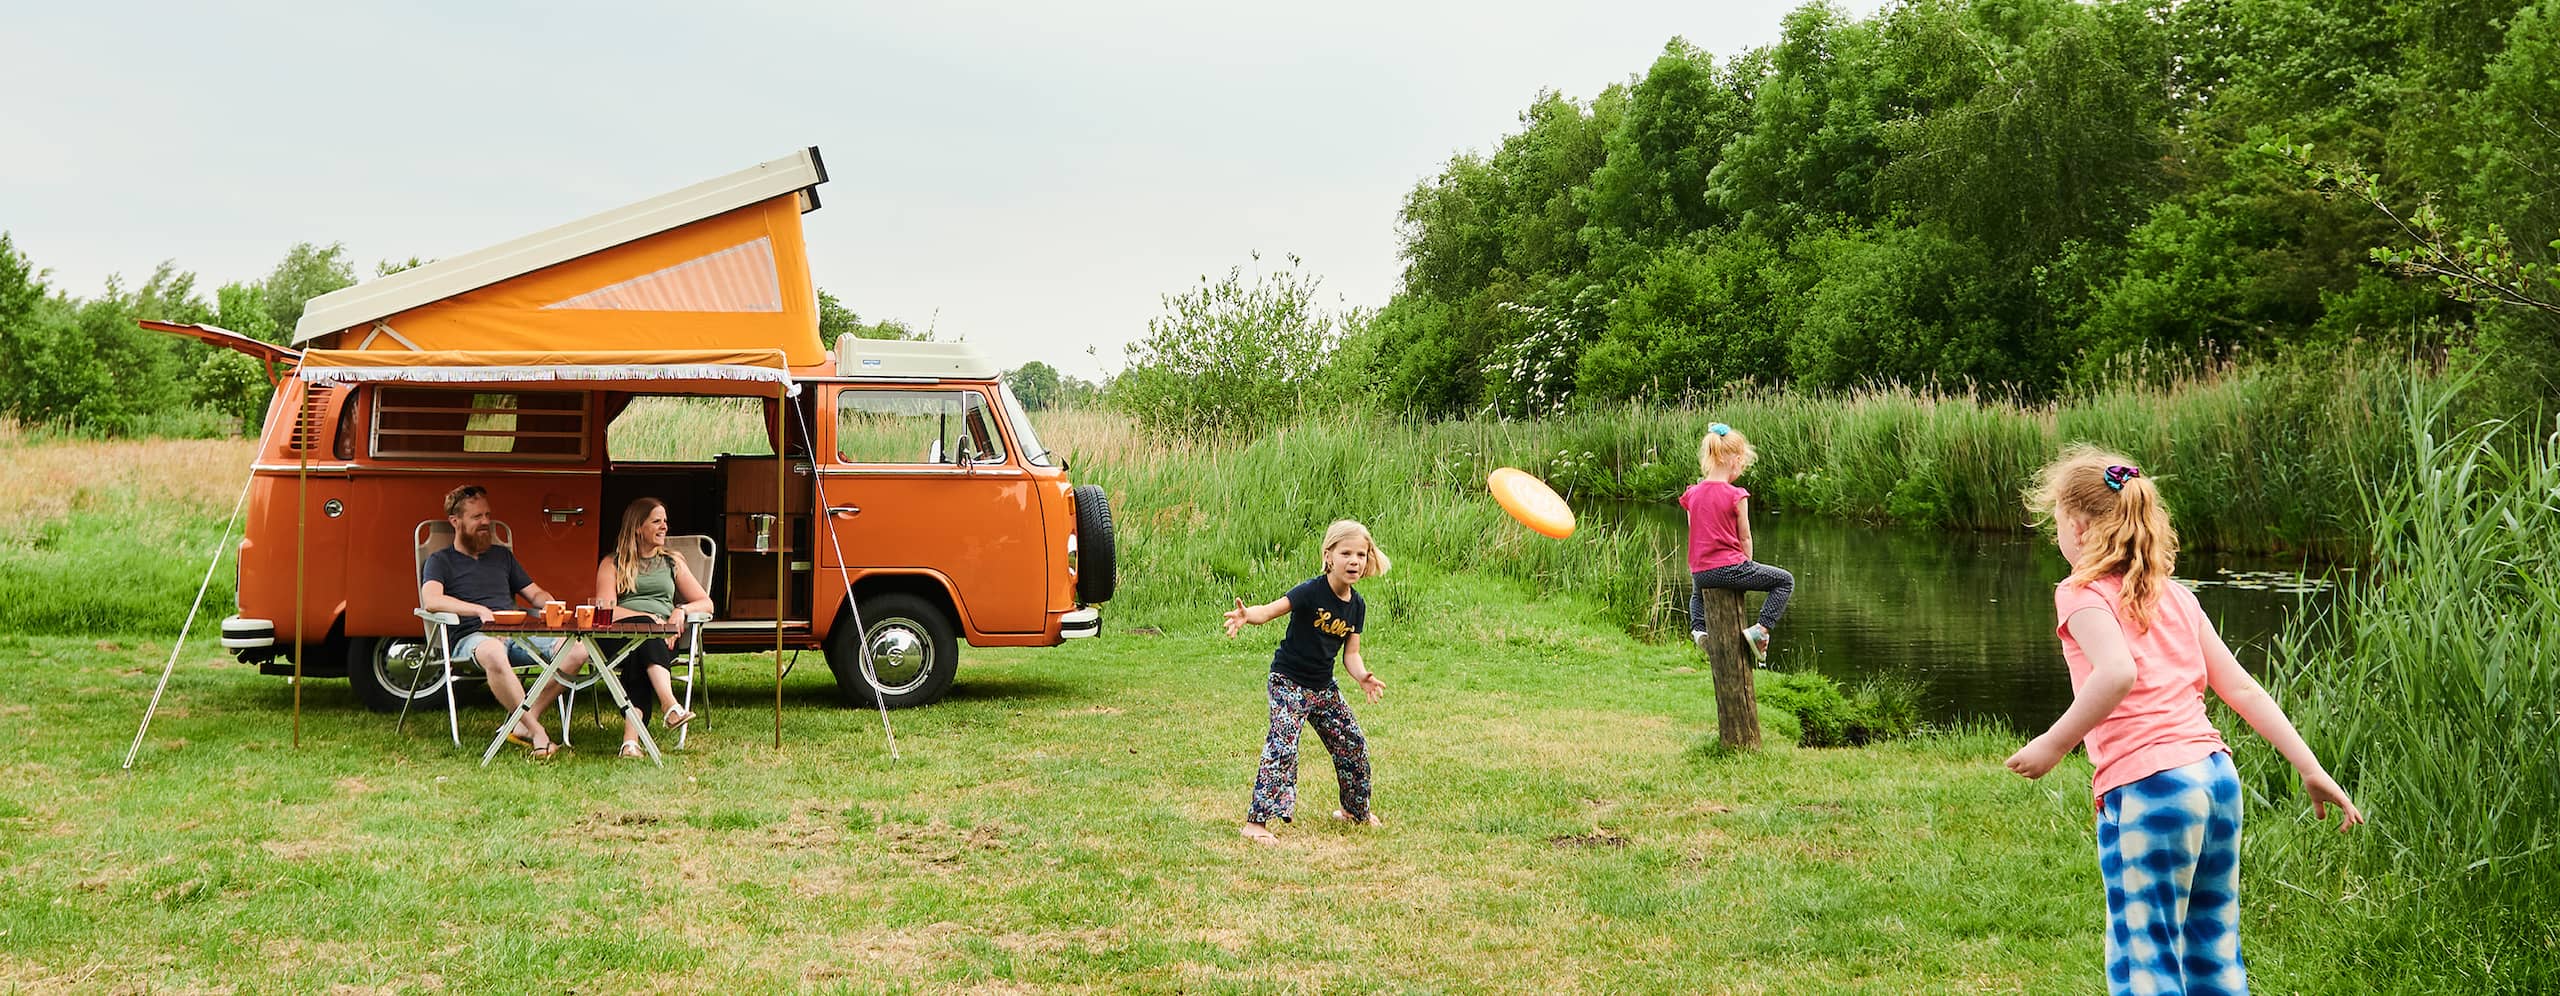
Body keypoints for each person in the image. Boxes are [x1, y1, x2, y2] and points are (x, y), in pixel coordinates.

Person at [2006, 446, 2363, 995]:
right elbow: (2242, 687)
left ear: (2077, 527)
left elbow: (2116, 672)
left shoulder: (2079, 593)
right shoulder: (2176, 596)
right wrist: (2309, 765)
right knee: (2212, 950)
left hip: (2153, 788)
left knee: (2144, 955)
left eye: (2056, 522)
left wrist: (2055, 743)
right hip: (2218, 781)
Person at [1222, 520, 1391, 844]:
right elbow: (1272, 610)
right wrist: (1247, 615)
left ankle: (1355, 811)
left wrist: (1362, 676)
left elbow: (1350, 655)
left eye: (1360, 553)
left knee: (1352, 744)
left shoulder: (1357, 606)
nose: (1354, 561)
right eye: (1346, 553)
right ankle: (1255, 823)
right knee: (1282, 747)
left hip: (1323, 687)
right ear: (1328, 556)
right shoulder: (1311, 591)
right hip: (1288, 682)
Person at [418, 484, 589, 760]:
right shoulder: (441, 561)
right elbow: (432, 600)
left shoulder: (502, 557)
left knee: (577, 650)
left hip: (515, 633)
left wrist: (552, 605)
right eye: (476, 517)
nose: (486, 522)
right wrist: (477, 610)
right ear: (455, 521)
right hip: (472, 638)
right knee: (494, 651)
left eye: (487, 515)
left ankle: (521, 722)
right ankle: (537, 732)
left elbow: (534, 593)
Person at [591, 497, 714, 758]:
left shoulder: (672, 561)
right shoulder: (612, 563)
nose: (664, 527)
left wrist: (681, 610)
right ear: (638, 527)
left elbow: (706, 603)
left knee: (642, 653)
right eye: (656, 521)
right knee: (644, 634)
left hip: (660, 640)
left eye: (665, 521)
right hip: (619, 637)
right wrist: (646, 617)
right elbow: (606, 609)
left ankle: (630, 743)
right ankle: (669, 704)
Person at [1683, 422, 1793, 663]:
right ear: (1734, 460)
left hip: (1701, 572)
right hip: (1732, 568)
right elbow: (1745, 536)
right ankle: (1760, 630)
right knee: (1785, 581)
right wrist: (1747, 565)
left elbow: (1695, 531)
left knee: (1697, 593)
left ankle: (1699, 629)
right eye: (1741, 466)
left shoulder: (1692, 494)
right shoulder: (1736, 495)